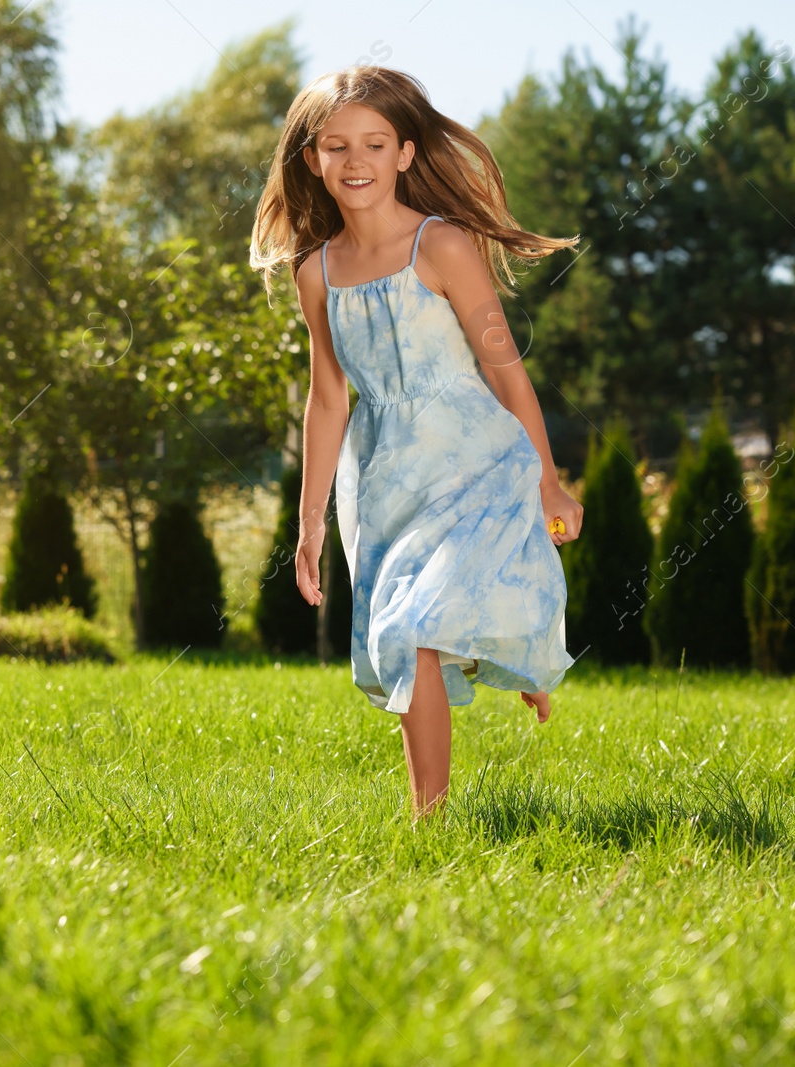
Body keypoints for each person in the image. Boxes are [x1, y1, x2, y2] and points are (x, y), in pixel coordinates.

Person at [249, 65, 585, 820]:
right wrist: (310, 524)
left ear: (405, 153)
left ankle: (427, 816)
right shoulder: (317, 272)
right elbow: (328, 398)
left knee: (420, 625)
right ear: (313, 160)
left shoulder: (444, 245)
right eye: (336, 146)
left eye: (375, 142)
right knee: (406, 633)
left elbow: (504, 366)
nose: (355, 160)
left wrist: (548, 479)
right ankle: (435, 814)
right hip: (386, 477)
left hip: (475, 457)